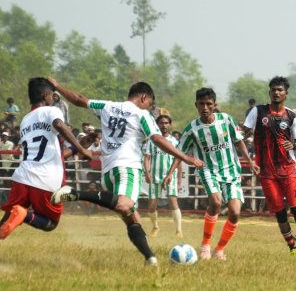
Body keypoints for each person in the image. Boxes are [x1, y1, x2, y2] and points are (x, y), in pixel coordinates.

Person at [48, 78, 203, 266]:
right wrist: (186, 158)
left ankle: (150, 257)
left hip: (109, 172)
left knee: (131, 218)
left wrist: (57, 87)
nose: (149, 109)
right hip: (127, 168)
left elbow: (79, 99)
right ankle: (74, 193)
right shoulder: (141, 115)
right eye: (150, 104)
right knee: (124, 205)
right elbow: (157, 139)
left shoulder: (107, 106)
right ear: (144, 97)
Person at [0, 77, 92, 266]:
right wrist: (81, 148)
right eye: (52, 96)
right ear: (46, 95)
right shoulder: (52, 110)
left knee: (3, 222)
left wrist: (78, 147)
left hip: (23, 177)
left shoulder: (25, 120)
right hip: (46, 180)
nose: (53, 99)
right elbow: (59, 125)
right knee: (50, 224)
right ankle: (24, 215)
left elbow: (51, 152)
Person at [162, 88, 259, 261]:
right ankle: (205, 244)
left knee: (235, 212)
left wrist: (250, 162)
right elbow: (180, 152)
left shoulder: (226, 120)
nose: (205, 107)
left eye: (209, 104)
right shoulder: (192, 129)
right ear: (196, 105)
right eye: (201, 104)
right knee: (216, 202)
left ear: (214, 105)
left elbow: (238, 141)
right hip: (208, 170)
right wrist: (170, 173)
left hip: (231, 170)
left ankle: (219, 249)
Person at [242, 76, 296, 258]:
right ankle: (292, 248)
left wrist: (294, 145)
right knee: (279, 211)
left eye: (280, 90)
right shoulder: (258, 112)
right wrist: (234, 134)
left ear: (286, 93)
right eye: (273, 90)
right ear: (269, 92)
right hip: (266, 171)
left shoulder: (291, 115)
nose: (276, 93)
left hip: (287, 167)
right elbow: (243, 132)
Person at [143, 115, 184, 238]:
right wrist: (147, 172)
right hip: (154, 176)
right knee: (151, 205)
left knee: (172, 201)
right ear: (157, 125)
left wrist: (177, 178)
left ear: (170, 125)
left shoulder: (175, 142)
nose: (164, 125)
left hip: (170, 176)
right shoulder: (152, 141)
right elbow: (147, 157)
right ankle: (155, 227)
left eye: (166, 123)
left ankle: (178, 230)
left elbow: (179, 159)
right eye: (161, 123)